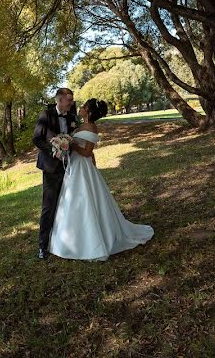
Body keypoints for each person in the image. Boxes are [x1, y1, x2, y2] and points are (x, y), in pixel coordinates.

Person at [48, 98, 154, 261]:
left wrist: (69, 144)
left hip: (83, 167)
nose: (80, 108)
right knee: (72, 199)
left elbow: (87, 152)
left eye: (83, 107)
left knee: (86, 198)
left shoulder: (91, 127)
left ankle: (92, 240)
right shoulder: (80, 125)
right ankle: (70, 238)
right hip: (75, 165)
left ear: (88, 112)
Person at [33, 87, 77, 259]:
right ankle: (42, 246)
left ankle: (64, 240)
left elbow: (75, 137)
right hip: (51, 168)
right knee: (49, 206)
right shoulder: (46, 115)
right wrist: (53, 150)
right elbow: (36, 139)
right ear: (59, 100)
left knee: (67, 204)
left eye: (72, 100)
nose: (71, 103)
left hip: (70, 167)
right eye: (69, 100)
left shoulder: (73, 117)